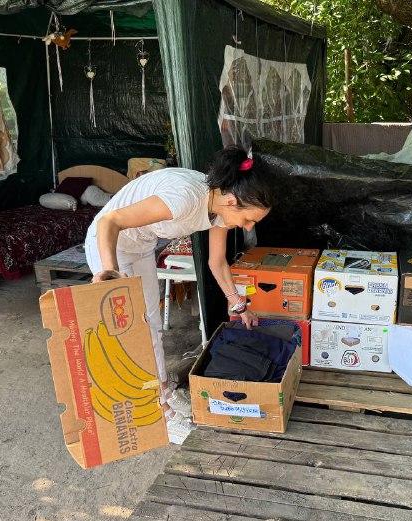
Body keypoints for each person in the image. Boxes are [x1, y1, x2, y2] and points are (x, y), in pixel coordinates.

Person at [84, 146, 275, 434]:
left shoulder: (219, 208)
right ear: (232, 201)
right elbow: (109, 221)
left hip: (141, 246)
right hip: (110, 244)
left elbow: (217, 262)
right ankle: (160, 413)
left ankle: (162, 394)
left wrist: (240, 306)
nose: (248, 228)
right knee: (136, 332)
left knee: (150, 325)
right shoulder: (184, 198)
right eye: (250, 220)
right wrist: (111, 274)